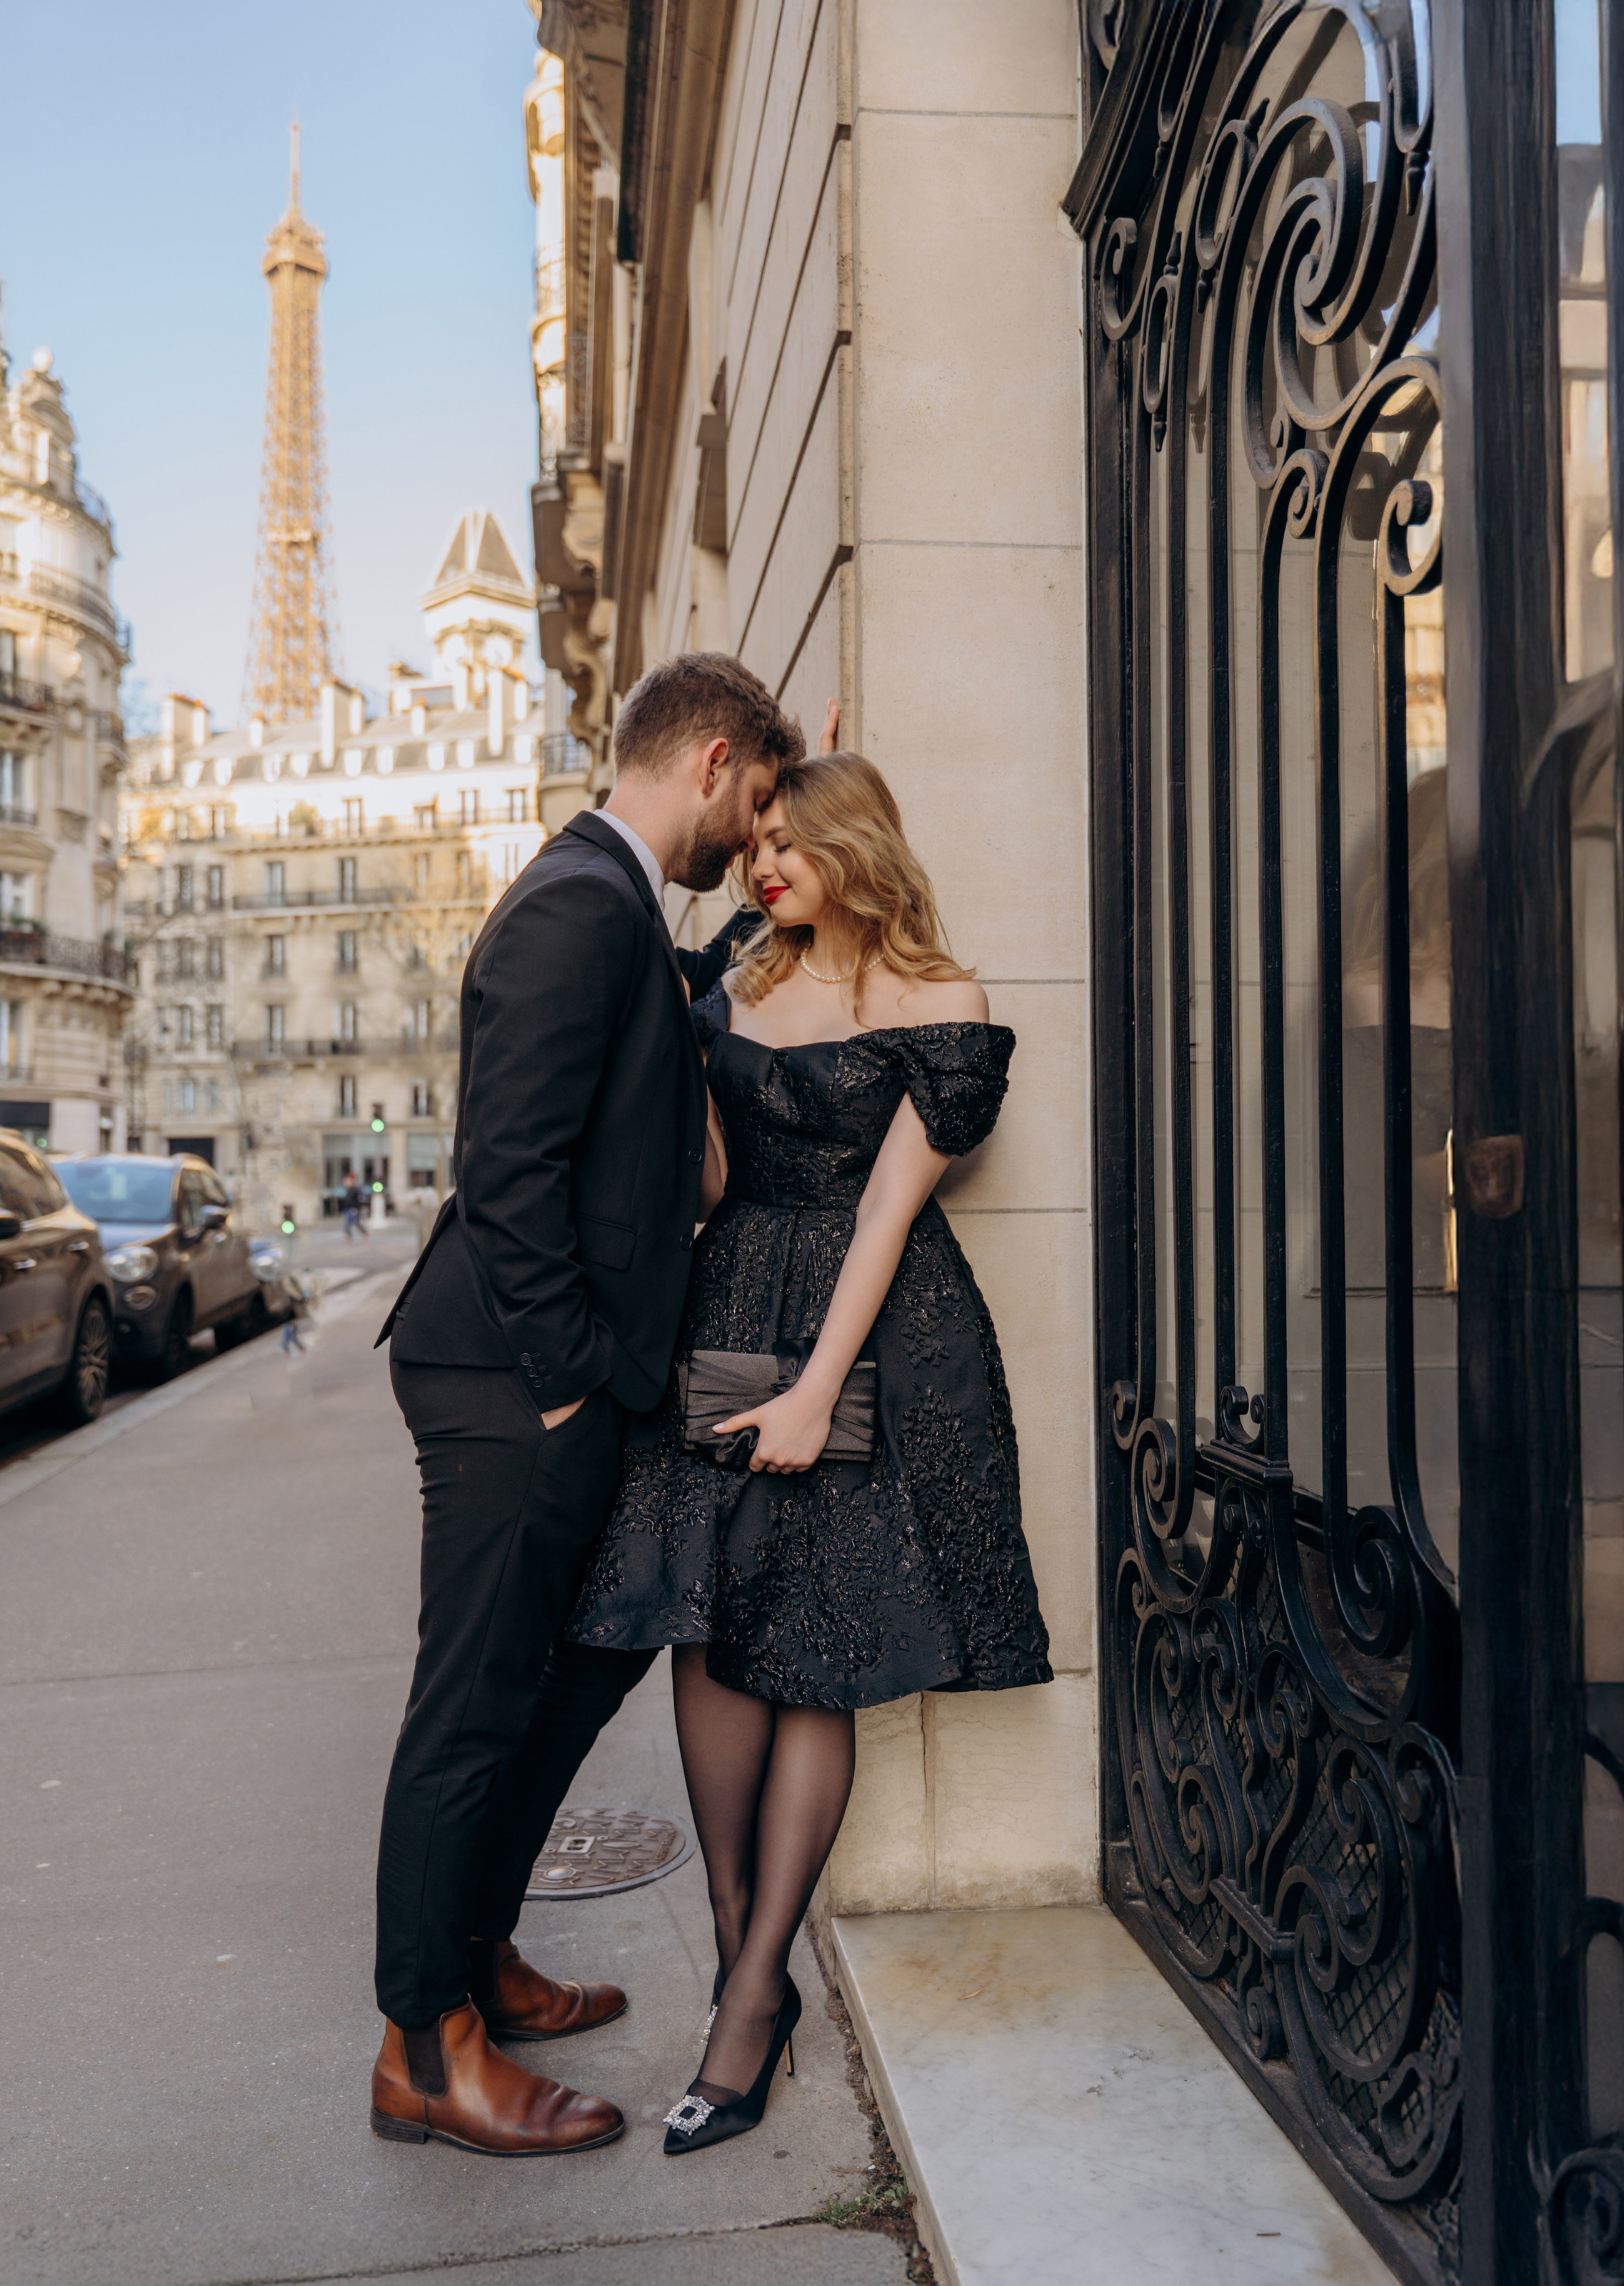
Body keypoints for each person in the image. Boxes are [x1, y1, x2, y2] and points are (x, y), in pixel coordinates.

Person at [567, 750, 1053, 2156]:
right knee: (711, 1632)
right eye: (753, 839)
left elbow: (891, 1212)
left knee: (817, 1638)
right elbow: (715, 1171)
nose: (763, 863)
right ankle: (745, 1961)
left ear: (854, 841)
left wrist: (811, 1392)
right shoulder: (741, 984)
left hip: (873, 1324)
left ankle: (744, 1996)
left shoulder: (939, 1003)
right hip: (729, 1302)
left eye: (789, 841)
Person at [366, 653, 804, 2158]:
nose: (747, 834)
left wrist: (755, 929)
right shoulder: (573, 902)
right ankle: (424, 2049)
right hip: (509, 1376)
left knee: (568, 1678)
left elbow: (652, 1018)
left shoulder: (615, 909)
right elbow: (506, 1168)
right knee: (473, 1707)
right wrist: (563, 1387)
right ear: (707, 755)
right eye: (753, 799)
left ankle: (476, 1963)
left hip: (549, 1376)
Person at [340, 1172, 365, 1242]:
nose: (346, 1183)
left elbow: (360, 1200)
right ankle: (348, 1236)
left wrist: (357, 1208)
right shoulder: (348, 1190)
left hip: (353, 1209)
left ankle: (364, 1232)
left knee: (356, 1223)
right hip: (347, 1209)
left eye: (348, 1182)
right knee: (347, 1224)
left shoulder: (356, 1190)